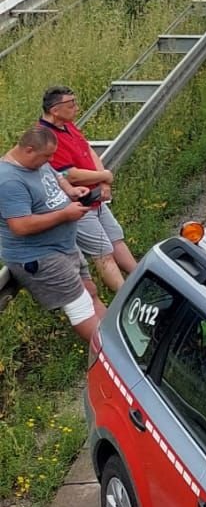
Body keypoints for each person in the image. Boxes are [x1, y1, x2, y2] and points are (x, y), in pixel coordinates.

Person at [0, 124, 102, 344]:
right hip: (39, 255)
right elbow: (20, 226)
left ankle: (120, 339)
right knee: (80, 305)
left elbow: (56, 176)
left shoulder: (39, 162)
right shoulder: (9, 181)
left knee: (89, 290)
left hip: (64, 245)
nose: (49, 160)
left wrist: (70, 190)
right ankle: (110, 356)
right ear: (28, 150)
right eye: (46, 156)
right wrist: (65, 215)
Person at [39, 85, 137, 291]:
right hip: (78, 205)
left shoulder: (68, 125)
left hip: (95, 196)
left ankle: (142, 281)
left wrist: (103, 181)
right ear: (55, 110)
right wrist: (104, 176)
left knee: (116, 240)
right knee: (103, 253)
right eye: (71, 104)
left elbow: (88, 150)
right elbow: (69, 174)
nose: (76, 107)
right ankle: (127, 298)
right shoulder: (46, 137)